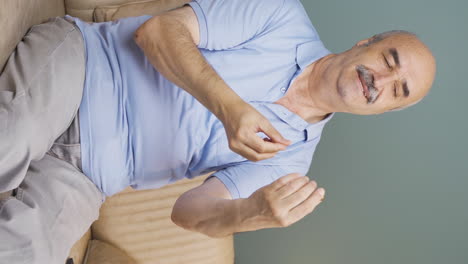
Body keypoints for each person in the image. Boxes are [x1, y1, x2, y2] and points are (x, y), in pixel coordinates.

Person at [0, 0, 435, 263]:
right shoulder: (282, 16)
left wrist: (248, 213)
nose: (381, 79)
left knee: (27, 254)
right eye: (389, 59)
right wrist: (229, 108)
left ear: (384, 110)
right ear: (365, 44)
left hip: (86, 176)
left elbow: (187, 211)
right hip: (85, 67)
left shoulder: (293, 161)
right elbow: (160, 31)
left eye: (399, 90)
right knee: (8, 145)